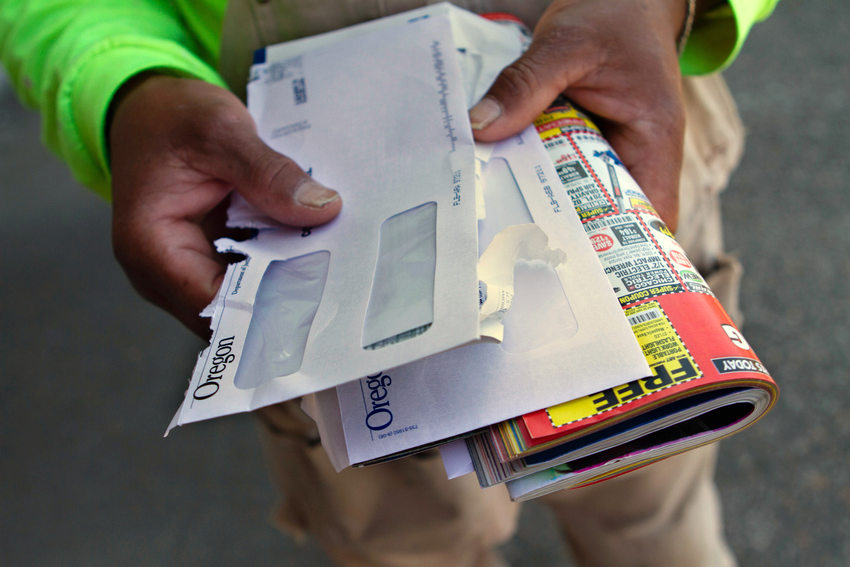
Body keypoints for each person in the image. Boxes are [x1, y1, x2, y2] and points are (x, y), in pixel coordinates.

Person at [0, 1, 778, 565]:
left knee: (651, 513)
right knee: (406, 544)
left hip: (613, 137)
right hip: (314, 241)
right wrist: (124, 84)